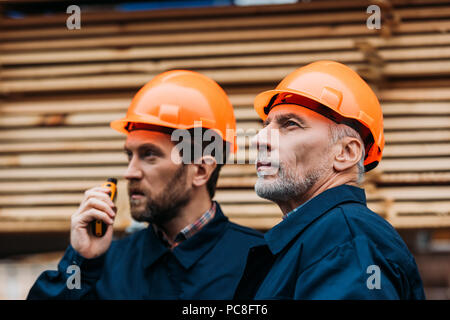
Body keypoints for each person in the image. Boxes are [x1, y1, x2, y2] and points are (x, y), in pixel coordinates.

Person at [28, 70, 264, 299]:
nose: (129, 173)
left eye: (149, 154)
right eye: (129, 156)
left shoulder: (259, 262)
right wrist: (81, 260)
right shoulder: (102, 265)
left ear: (200, 170)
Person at [234, 61, 425, 300]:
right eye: (265, 126)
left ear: (345, 153)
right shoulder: (323, 241)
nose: (259, 139)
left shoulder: (347, 245)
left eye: (290, 125)